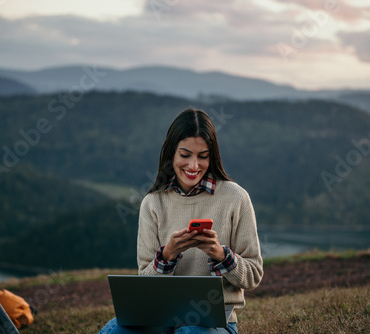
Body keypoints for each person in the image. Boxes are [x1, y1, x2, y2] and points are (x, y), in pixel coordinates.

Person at [98, 108, 263, 334]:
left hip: (214, 323)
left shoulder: (236, 198)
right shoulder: (153, 203)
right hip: (159, 317)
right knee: (115, 331)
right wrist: (167, 256)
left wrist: (220, 255)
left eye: (202, 156)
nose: (194, 166)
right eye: (185, 155)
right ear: (171, 154)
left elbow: (253, 275)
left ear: (211, 156)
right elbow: (144, 283)